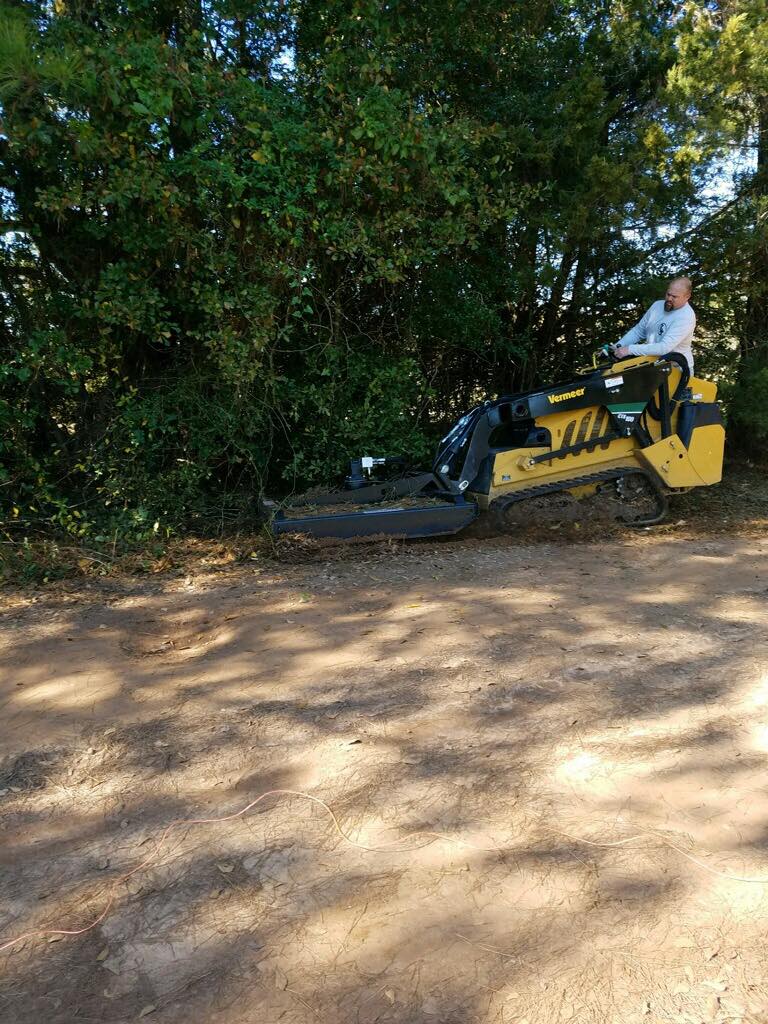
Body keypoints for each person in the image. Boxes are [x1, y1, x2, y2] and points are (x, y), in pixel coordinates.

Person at [613, 277, 696, 373]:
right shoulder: (657, 306)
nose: (669, 299)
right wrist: (618, 345)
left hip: (678, 370)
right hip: (655, 365)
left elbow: (664, 347)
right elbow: (639, 331)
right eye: (668, 294)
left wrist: (629, 349)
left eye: (674, 297)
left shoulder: (686, 316)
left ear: (687, 297)